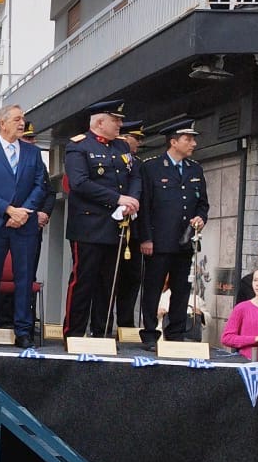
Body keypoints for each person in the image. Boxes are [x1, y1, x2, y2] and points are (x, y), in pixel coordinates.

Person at [63, 99, 140, 339]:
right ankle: (74, 333)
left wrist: (132, 200)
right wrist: (118, 198)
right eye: (115, 120)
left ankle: (102, 333)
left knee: (109, 283)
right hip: (88, 225)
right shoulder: (78, 146)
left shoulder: (122, 147)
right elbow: (79, 183)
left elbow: (135, 176)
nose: (120, 124)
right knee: (83, 282)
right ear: (99, 122)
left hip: (116, 225)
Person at [0, 104, 46, 348]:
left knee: (24, 279)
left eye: (23, 118)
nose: (22, 123)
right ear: (2, 124)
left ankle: (23, 331)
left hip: (25, 225)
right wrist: (8, 210)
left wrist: (23, 212)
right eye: (16, 119)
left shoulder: (32, 153)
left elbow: (40, 185)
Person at [136, 119, 209, 350]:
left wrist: (201, 218)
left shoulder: (195, 169)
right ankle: (149, 333)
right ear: (173, 141)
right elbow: (145, 205)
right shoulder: (151, 167)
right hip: (158, 241)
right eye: (188, 139)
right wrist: (145, 237)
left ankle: (176, 334)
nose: (193, 143)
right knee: (153, 288)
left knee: (181, 289)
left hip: (185, 242)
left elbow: (202, 204)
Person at [111, 120, 146, 331]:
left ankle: (126, 326)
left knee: (132, 278)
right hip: (108, 229)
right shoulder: (109, 160)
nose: (138, 144)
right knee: (105, 279)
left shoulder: (140, 165)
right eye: (136, 138)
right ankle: (100, 325)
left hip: (132, 231)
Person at [222, 266, 258, 367]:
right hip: (246, 367)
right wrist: (255, 339)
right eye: (255, 280)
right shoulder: (242, 308)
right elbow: (227, 338)